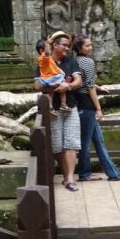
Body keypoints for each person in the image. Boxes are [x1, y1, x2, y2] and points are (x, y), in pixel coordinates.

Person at [72, 34, 120, 182]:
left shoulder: (75, 61)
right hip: (86, 105)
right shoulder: (88, 62)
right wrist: (98, 108)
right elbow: (89, 87)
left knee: (98, 141)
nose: (90, 48)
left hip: (79, 103)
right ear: (79, 47)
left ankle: (113, 173)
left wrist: (99, 87)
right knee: (86, 142)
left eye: (91, 45)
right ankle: (85, 174)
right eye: (87, 45)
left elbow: (85, 82)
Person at [33, 31, 83, 192]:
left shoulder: (71, 62)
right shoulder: (44, 61)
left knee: (71, 142)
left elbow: (78, 81)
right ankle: (65, 175)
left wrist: (67, 86)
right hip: (52, 109)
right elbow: (37, 85)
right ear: (55, 45)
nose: (67, 48)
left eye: (68, 46)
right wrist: (55, 86)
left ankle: (70, 178)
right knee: (57, 144)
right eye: (64, 45)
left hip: (70, 106)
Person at [34, 38, 67, 108]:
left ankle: (51, 106)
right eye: (49, 49)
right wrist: (48, 43)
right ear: (41, 51)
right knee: (62, 88)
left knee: (51, 92)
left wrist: (60, 71)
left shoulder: (49, 59)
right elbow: (47, 53)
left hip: (50, 77)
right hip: (50, 78)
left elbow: (53, 67)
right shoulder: (44, 58)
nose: (51, 51)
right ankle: (63, 104)